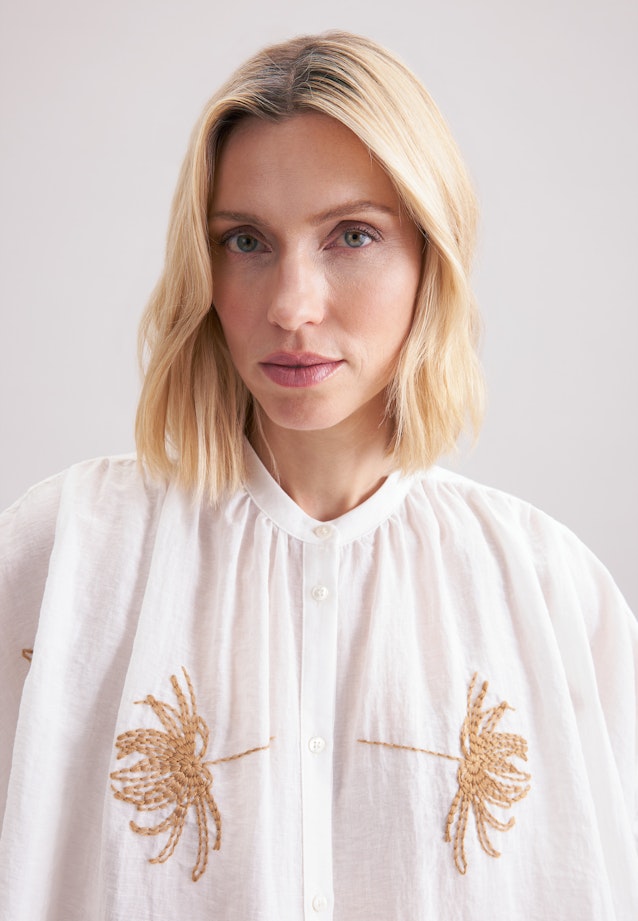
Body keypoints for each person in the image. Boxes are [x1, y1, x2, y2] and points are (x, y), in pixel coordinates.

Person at [0, 31, 636, 921]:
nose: (292, 306)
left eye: (352, 235)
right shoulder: (62, 558)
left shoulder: (551, 593)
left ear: (432, 256)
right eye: (247, 241)